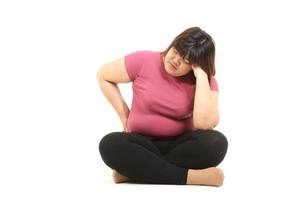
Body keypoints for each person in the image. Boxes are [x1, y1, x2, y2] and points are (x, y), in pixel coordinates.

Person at [96, 27, 228, 187]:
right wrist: (124, 114)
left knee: (217, 142)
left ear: (196, 65)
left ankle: (134, 172)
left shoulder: (205, 81)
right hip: (140, 142)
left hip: (181, 146)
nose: (176, 59)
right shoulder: (144, 60)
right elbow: (104, 76)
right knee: (110, 144)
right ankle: (191, 177)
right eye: (177, 50)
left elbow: (204, 124)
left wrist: (201, 76)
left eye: (187, 60)